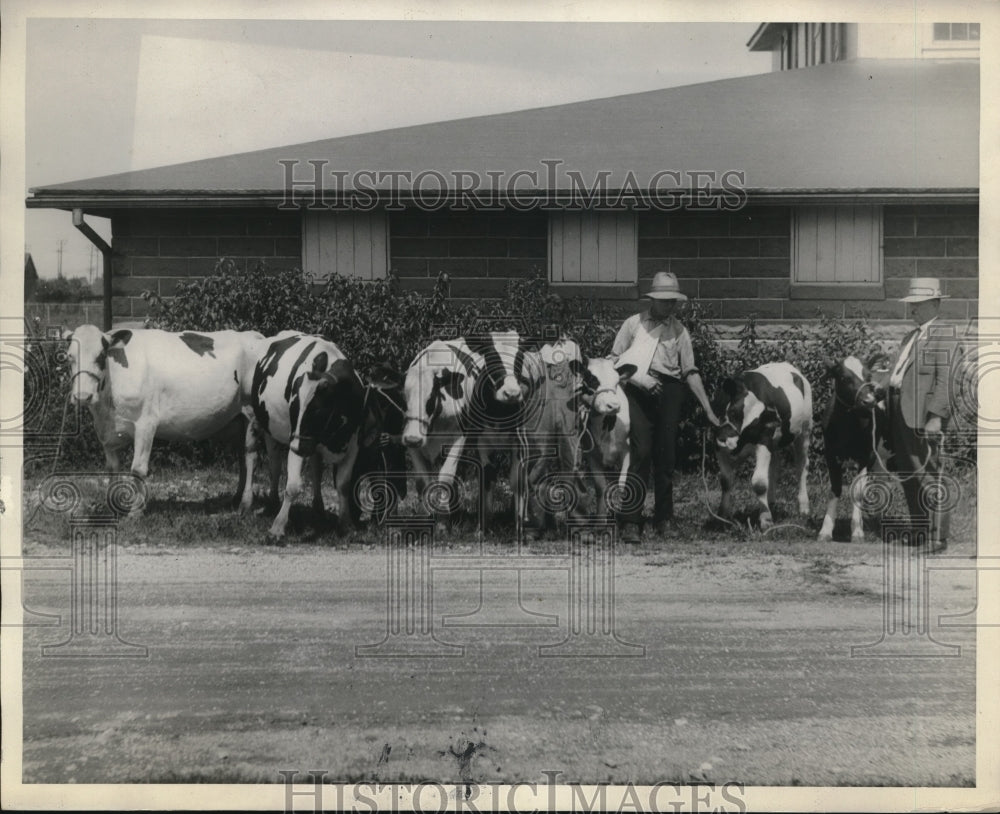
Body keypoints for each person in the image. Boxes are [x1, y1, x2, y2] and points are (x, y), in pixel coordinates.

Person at [611, 271, 720, 542]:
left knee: (666, 457)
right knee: (642, 452)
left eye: (673, 300)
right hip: (638, 391)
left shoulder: (679, 331)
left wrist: (708, 409)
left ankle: (664, 519)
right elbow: (614, 361)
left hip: (670, 392)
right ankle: (630, 521)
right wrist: (640, 379)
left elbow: (690, 372)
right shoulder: (633, 325)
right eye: (664, 300)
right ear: (652, 299)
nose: (669, 305)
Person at [884, 277, 959, 552]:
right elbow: (896, 377)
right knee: (909, 474)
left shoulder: (945, 335)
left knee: (929, 475)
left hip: (923, 417)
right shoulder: (910, 337)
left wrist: (936, 416)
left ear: (935, 304)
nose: (912, 309)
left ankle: (937, 538)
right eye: (911, 304)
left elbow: (947, 380)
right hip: (899, 415)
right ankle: (919, 532)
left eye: (917, 305)